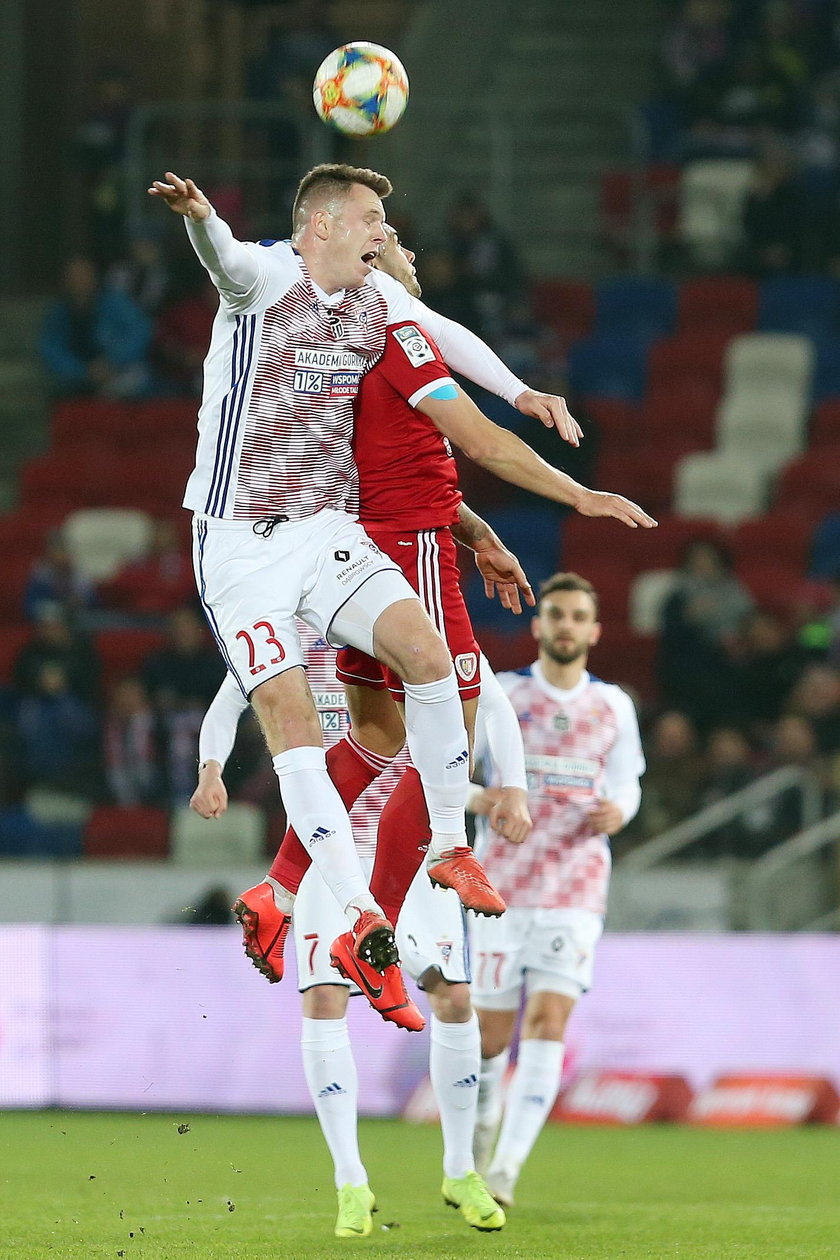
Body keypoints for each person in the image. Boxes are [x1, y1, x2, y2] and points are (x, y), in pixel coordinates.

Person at [148, 160, 589, 978]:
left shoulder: (373, 300)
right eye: (370, 223)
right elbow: (223, 260)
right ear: (322, 225)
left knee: (431, 664)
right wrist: (200, 218)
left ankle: (434, 854)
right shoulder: (266, 277)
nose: (384, 237)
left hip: (323, 531)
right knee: (294, 722)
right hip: (240, 544)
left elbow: (442, 332)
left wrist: (523, 391)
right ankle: (352, 912)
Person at [200, 222, 655, 1010]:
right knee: (455, 718)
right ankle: (403, 893)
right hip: (402, 556)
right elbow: (478, 443)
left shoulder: (370, 339)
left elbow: (412, 465)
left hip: (374, 548)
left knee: (377, 737)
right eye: (390, 238)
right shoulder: (399, 336)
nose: (401, 244)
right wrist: (577, 494)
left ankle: (283, 892)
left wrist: (478, 533)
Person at [193, 622, 528, 1237]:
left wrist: (515, 787)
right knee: (324, 1001)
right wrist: (210, 767)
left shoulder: (390, 613)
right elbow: (224, 703)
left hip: (412, 849)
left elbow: (494, 698)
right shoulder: (281, 635)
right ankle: (350, 1182)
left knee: (453, 997)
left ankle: (460, 1170)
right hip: (331, 859)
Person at [469, 572, 645, 1207]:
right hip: (501, 886)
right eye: (556, 614)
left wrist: (619, 813)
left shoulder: (613, 705)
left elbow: (627, 784)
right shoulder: (504, 695)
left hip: (577, 886)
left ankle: (507, 1169)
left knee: (549, 1020)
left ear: (594, 632)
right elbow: (444, 772)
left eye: (578, 616)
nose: (566, 625)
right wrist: (480, 798)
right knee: (489, 1037)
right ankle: (482, 1133)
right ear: (538, 625)